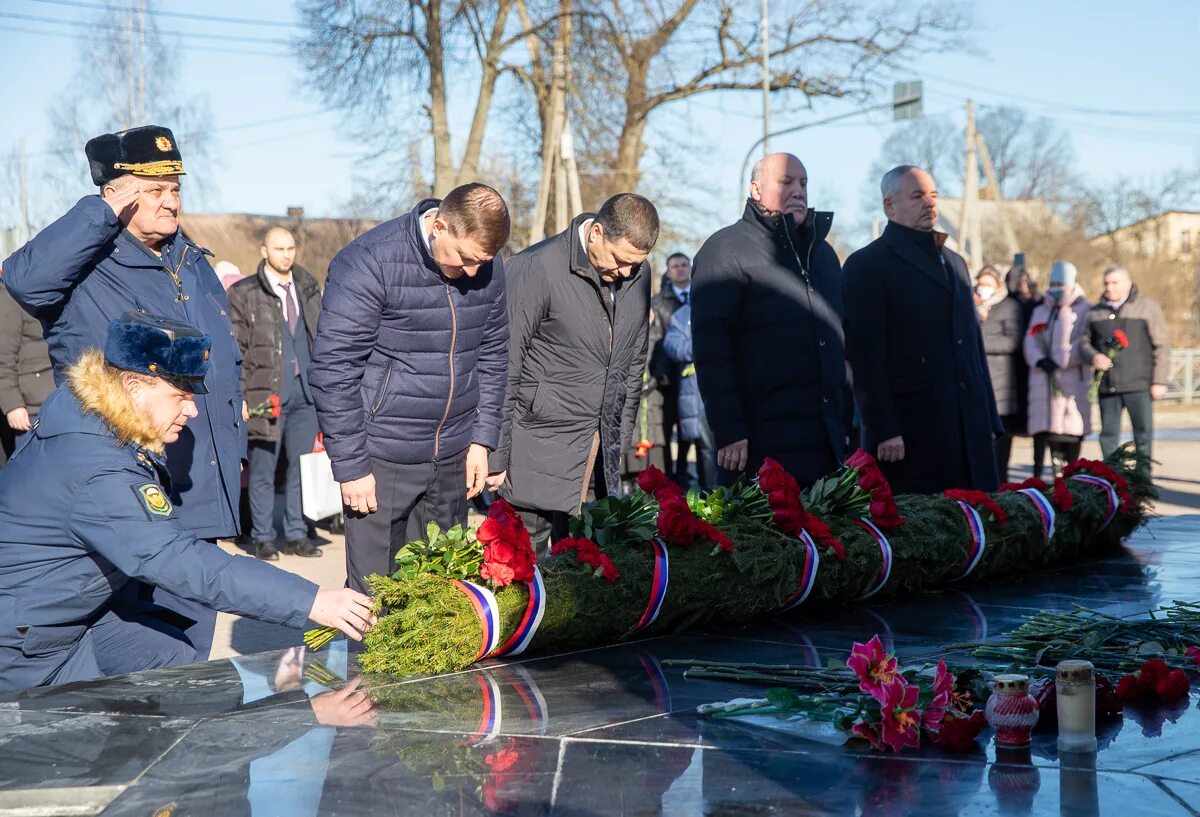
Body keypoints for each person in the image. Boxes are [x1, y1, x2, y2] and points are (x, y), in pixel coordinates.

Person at [0, 313, 372, 693]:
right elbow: (181, 562)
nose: (192, 410)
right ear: (132, 386)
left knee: (169, 650)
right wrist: (313, 601)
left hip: (60, 613)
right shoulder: (99, 468)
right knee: (113, 726)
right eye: (179, 395)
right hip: (24, 646)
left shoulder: (85, 411)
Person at [1, 125, 245, 659]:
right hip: (122, 482)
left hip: (197, 481)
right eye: (153, 190)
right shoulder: (87, 265)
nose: (170, 202)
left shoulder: (193, 262)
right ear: (120, 193)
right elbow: (23, 279)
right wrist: (100, 210)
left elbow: (225, 365)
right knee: (134, 665)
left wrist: (234, 449)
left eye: (174, 189)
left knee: (185, 656)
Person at [310, 183, 510, 594]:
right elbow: (335, 367)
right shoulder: (369, 261)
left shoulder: (488, 266)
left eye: (482, 262)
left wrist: (482, 440)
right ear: (439, 225)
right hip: (383, 457)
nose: (474, 273)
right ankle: (365, 662)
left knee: (441, 591)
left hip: (454, 456)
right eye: (466, 259)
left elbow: (493, 356)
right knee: (376, 594)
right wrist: (352, 467)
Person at [489, 193, 659, 553]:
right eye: (620, 260)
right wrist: (496, 453)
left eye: (636, 265)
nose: (626, 273)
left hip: (598, 458)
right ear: (596, 232)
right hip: (535, 450)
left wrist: (620, 438)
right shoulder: (535, 268)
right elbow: (505, 365)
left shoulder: (636, 275)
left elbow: (632, 365)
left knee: (586, 576)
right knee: (524, 575)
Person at [692, 152, 850, 487]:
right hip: (759, 443)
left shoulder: (822, 254)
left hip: (826, 440)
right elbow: (712, 351)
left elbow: (839, 340)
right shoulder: (724, 250)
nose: (798, 191)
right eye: (786, 181)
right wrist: (729, 428)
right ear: (756, 189)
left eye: (803, 183)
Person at [843, 165, 1001, 493]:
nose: (929, 203)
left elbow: (972, 345)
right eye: (917, 196)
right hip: (913, 427)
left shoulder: (954, 262)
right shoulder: (868, 265)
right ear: (890, 205)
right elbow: (865, 354)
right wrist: (883, 426)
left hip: (966, 423)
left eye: (933, 195)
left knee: (976, 521)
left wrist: (988, 417)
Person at [228, 227, 323, 560]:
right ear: (263, 251)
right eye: (279, 248)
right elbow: (235, 349)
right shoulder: (244, 293)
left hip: (306, 392)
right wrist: (239, 395)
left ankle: (296, 533)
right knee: (264, 468)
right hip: (264, 392)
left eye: (291, 248)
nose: (287, 254)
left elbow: (322, 338)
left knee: (301, 467)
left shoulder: (309, 287)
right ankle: (263, 536)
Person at [1082, 265, 1171, 462]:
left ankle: (1142, 483)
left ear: (1128, 283)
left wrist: (1160, 381)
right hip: (1108, 385)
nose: (1110, 287)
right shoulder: (1095, 312)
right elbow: (1083, 343)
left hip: (1139, 384)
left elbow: (1162, 345)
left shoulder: (1147, 307)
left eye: (1115, 283)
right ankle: (1113, 481)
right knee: (1108, 437)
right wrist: (1093, 356)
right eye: (1106, 283)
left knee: (1142, 436)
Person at [1023, 260, 1092, 475]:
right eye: (1052, 284)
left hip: (1070, 380)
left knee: (1069, 431)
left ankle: (1069, 479)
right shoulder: (1042, 310)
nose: (1055, 289)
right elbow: (1030, 338)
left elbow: (1082, 341)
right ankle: (1044, 475)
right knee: (1047, 431)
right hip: (1043, 379)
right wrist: (1039, 359)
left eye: (1060, 284)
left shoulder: (1083, 309)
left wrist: (1060, 359)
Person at [974, 266, 1025, 483]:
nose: (983, 289)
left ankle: (1001, 483)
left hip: (1002, 384)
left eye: (988, 284)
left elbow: (1013, 341)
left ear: (998, 286)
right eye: (980, 284)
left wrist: (979, 343)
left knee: (1001, 442)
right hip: (978, 383)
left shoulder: (1009, 307)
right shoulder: (972, 307)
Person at [663, 302, 718, 489]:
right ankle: (709, 494)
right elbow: (672, 344)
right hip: (693, 396)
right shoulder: (681, 315)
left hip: (717, 393)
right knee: (706, 451)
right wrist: (703, 347)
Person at [650, 253, 692, 484]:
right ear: (668, 270)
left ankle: (685, 470)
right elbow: (655, 338)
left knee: (690, 426)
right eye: (674, 266)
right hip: (668, 376)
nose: (680, 269)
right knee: (666, 427)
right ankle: (668, 475)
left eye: (684, 265)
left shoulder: (699, 297)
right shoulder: (658, 302)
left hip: (694, 374)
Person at [0, 283, 54, 455]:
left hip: (60, 397)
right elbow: (3, 356)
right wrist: (13, 405)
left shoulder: (56, 291)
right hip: (31, 409)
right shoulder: (11, 299)